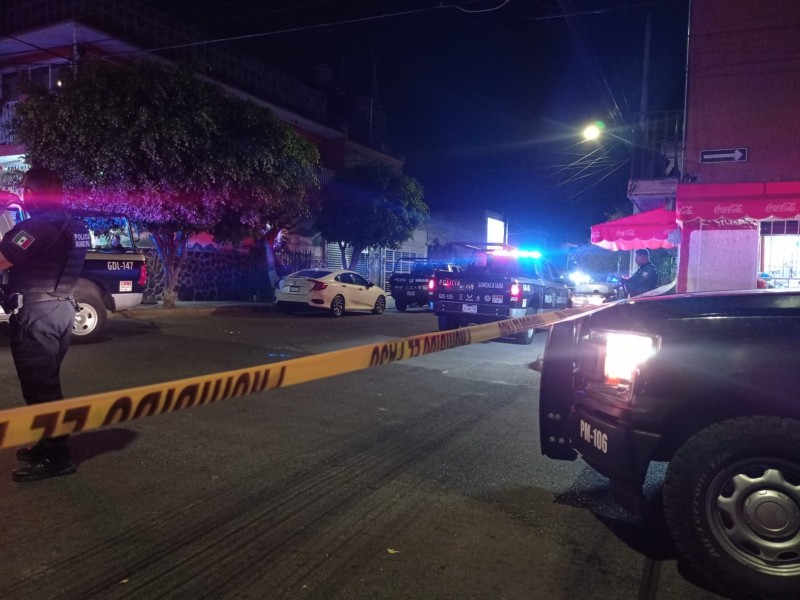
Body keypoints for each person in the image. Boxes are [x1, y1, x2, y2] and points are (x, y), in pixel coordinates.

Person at [0, 168, 90, 482]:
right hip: (60, 310)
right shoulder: (74, 224)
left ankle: (57, 457)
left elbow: (2, 258)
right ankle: (47, 443)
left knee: (40, 389)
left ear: (34, 193)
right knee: (46, 385)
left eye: (25, 190)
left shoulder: (38, 227)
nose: (22, 196)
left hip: (38, 316)